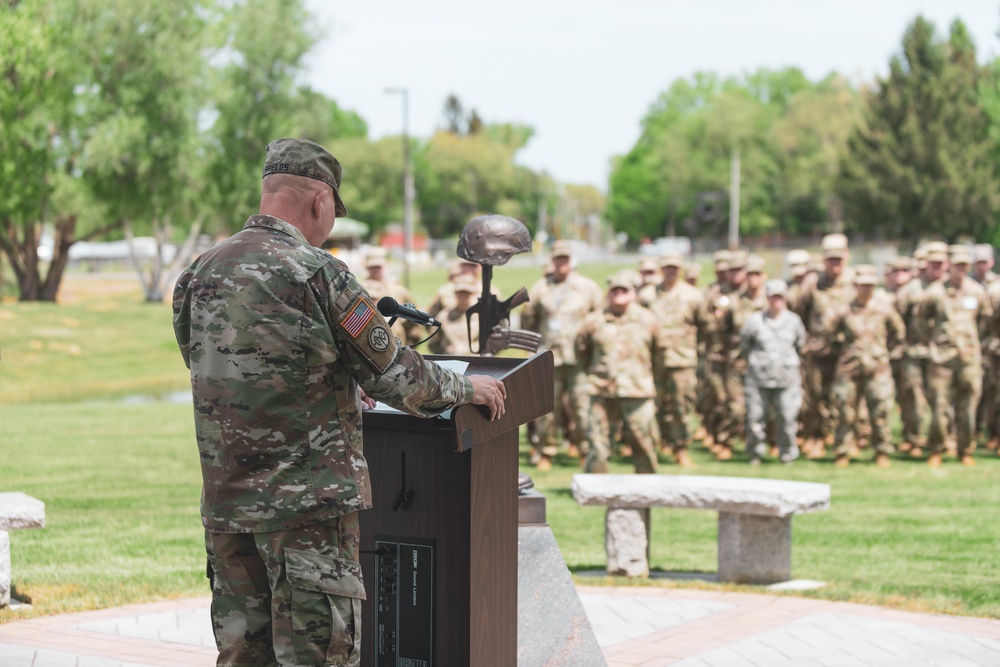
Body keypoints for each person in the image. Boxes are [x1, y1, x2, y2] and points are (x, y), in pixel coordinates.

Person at [171, 138, 506, 667]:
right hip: (307, 513)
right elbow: (396, 373)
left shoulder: (199, 273)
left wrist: (335, 386)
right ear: (320, 201)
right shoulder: (319, 273)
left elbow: (218, 369)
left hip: (228, 511)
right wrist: (468, 388)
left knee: (243, 658)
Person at [520, 240, 604, 470]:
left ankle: (586, 450)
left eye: (565, 259)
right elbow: (529, 319)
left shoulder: (588, 287)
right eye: (558, 259)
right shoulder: (540, 287)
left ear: (572, 261)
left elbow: (600, 319)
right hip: (549, 358)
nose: (562, 263)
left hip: (580, 359)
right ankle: (546, 451)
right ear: (552, 261)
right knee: (546, 410)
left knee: (583, 408)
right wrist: (531, 349)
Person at [575, 270, 660, 474]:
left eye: (624, 290)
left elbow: (659, 353)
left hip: (638, 391)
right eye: (615, 290)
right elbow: (581, 351)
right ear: (608, 293)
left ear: (633, 293)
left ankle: (648, 488)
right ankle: (595, 489)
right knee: (598, 444)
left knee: (644, 443)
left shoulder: (648, 320)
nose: (619, 293)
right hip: (602, 391)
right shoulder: (594, 321)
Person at [920, 247, 993, 466]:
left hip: (969, 358)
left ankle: (965, 449)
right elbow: (922, 320)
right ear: (949, 266)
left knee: (968, 406)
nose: (961, 269)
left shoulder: (977, 291)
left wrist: (971, 342)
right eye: (957, 265)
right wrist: (934, 340)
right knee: (939, 406)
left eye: (965, 265)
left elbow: (984, 321)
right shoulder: (935, 292)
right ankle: (937, 448)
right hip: (941, 358)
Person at [638, 253, 712, 466]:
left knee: (681, 406)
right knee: (655, 406)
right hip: (653, 361)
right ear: (661, 269)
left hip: (682, 361)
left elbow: (705, 326)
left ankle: (680, 447)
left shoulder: (694, 296)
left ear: (680, 270)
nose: (671, 271)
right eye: (668, 267)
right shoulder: (648, 295)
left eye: (675, 268)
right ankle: (659, 443)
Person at [829, 266, 906, 468]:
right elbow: (830, 334)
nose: (866, 289)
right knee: (845, 412)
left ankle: (881, 451)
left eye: (870, 285)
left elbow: (899, 334)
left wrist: (885, 354)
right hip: (849, 368)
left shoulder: (884, 309)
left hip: (877, 369)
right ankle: (842, 451)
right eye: (862, 285)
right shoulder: (844, 310)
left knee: (880, 411)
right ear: (856, 286)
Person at [793, 233, 857, 458]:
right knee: (817, 398)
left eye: (839, 259)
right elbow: (800, 313)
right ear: (823, 259)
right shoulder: (813, 284)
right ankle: (816, 437)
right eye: (831, 259)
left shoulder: (854, 282)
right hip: (818, 351)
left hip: (846, 352)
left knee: (845, 399)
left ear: (847, 256)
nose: (835, 263)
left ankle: (845, 439)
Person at [739, 279, 806, 465]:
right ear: (767, 298)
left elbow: (800, 345)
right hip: (758, 378)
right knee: (755, 417)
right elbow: (744, 345)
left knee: (787, 417)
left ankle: (787, 454)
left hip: (786, 378)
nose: (777, 301)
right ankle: (755, 453)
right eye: (773, 297)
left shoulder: (794, 321)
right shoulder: (755, 321)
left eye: (780, 297)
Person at [428, 273, 478, 355]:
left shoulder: (480, 316)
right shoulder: (444, 316)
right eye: (460, 293)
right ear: (455, 294)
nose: (463, 296)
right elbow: (433, 342)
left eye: (466, 293)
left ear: (472, 293)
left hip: (475, 361)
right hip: (449, 360)